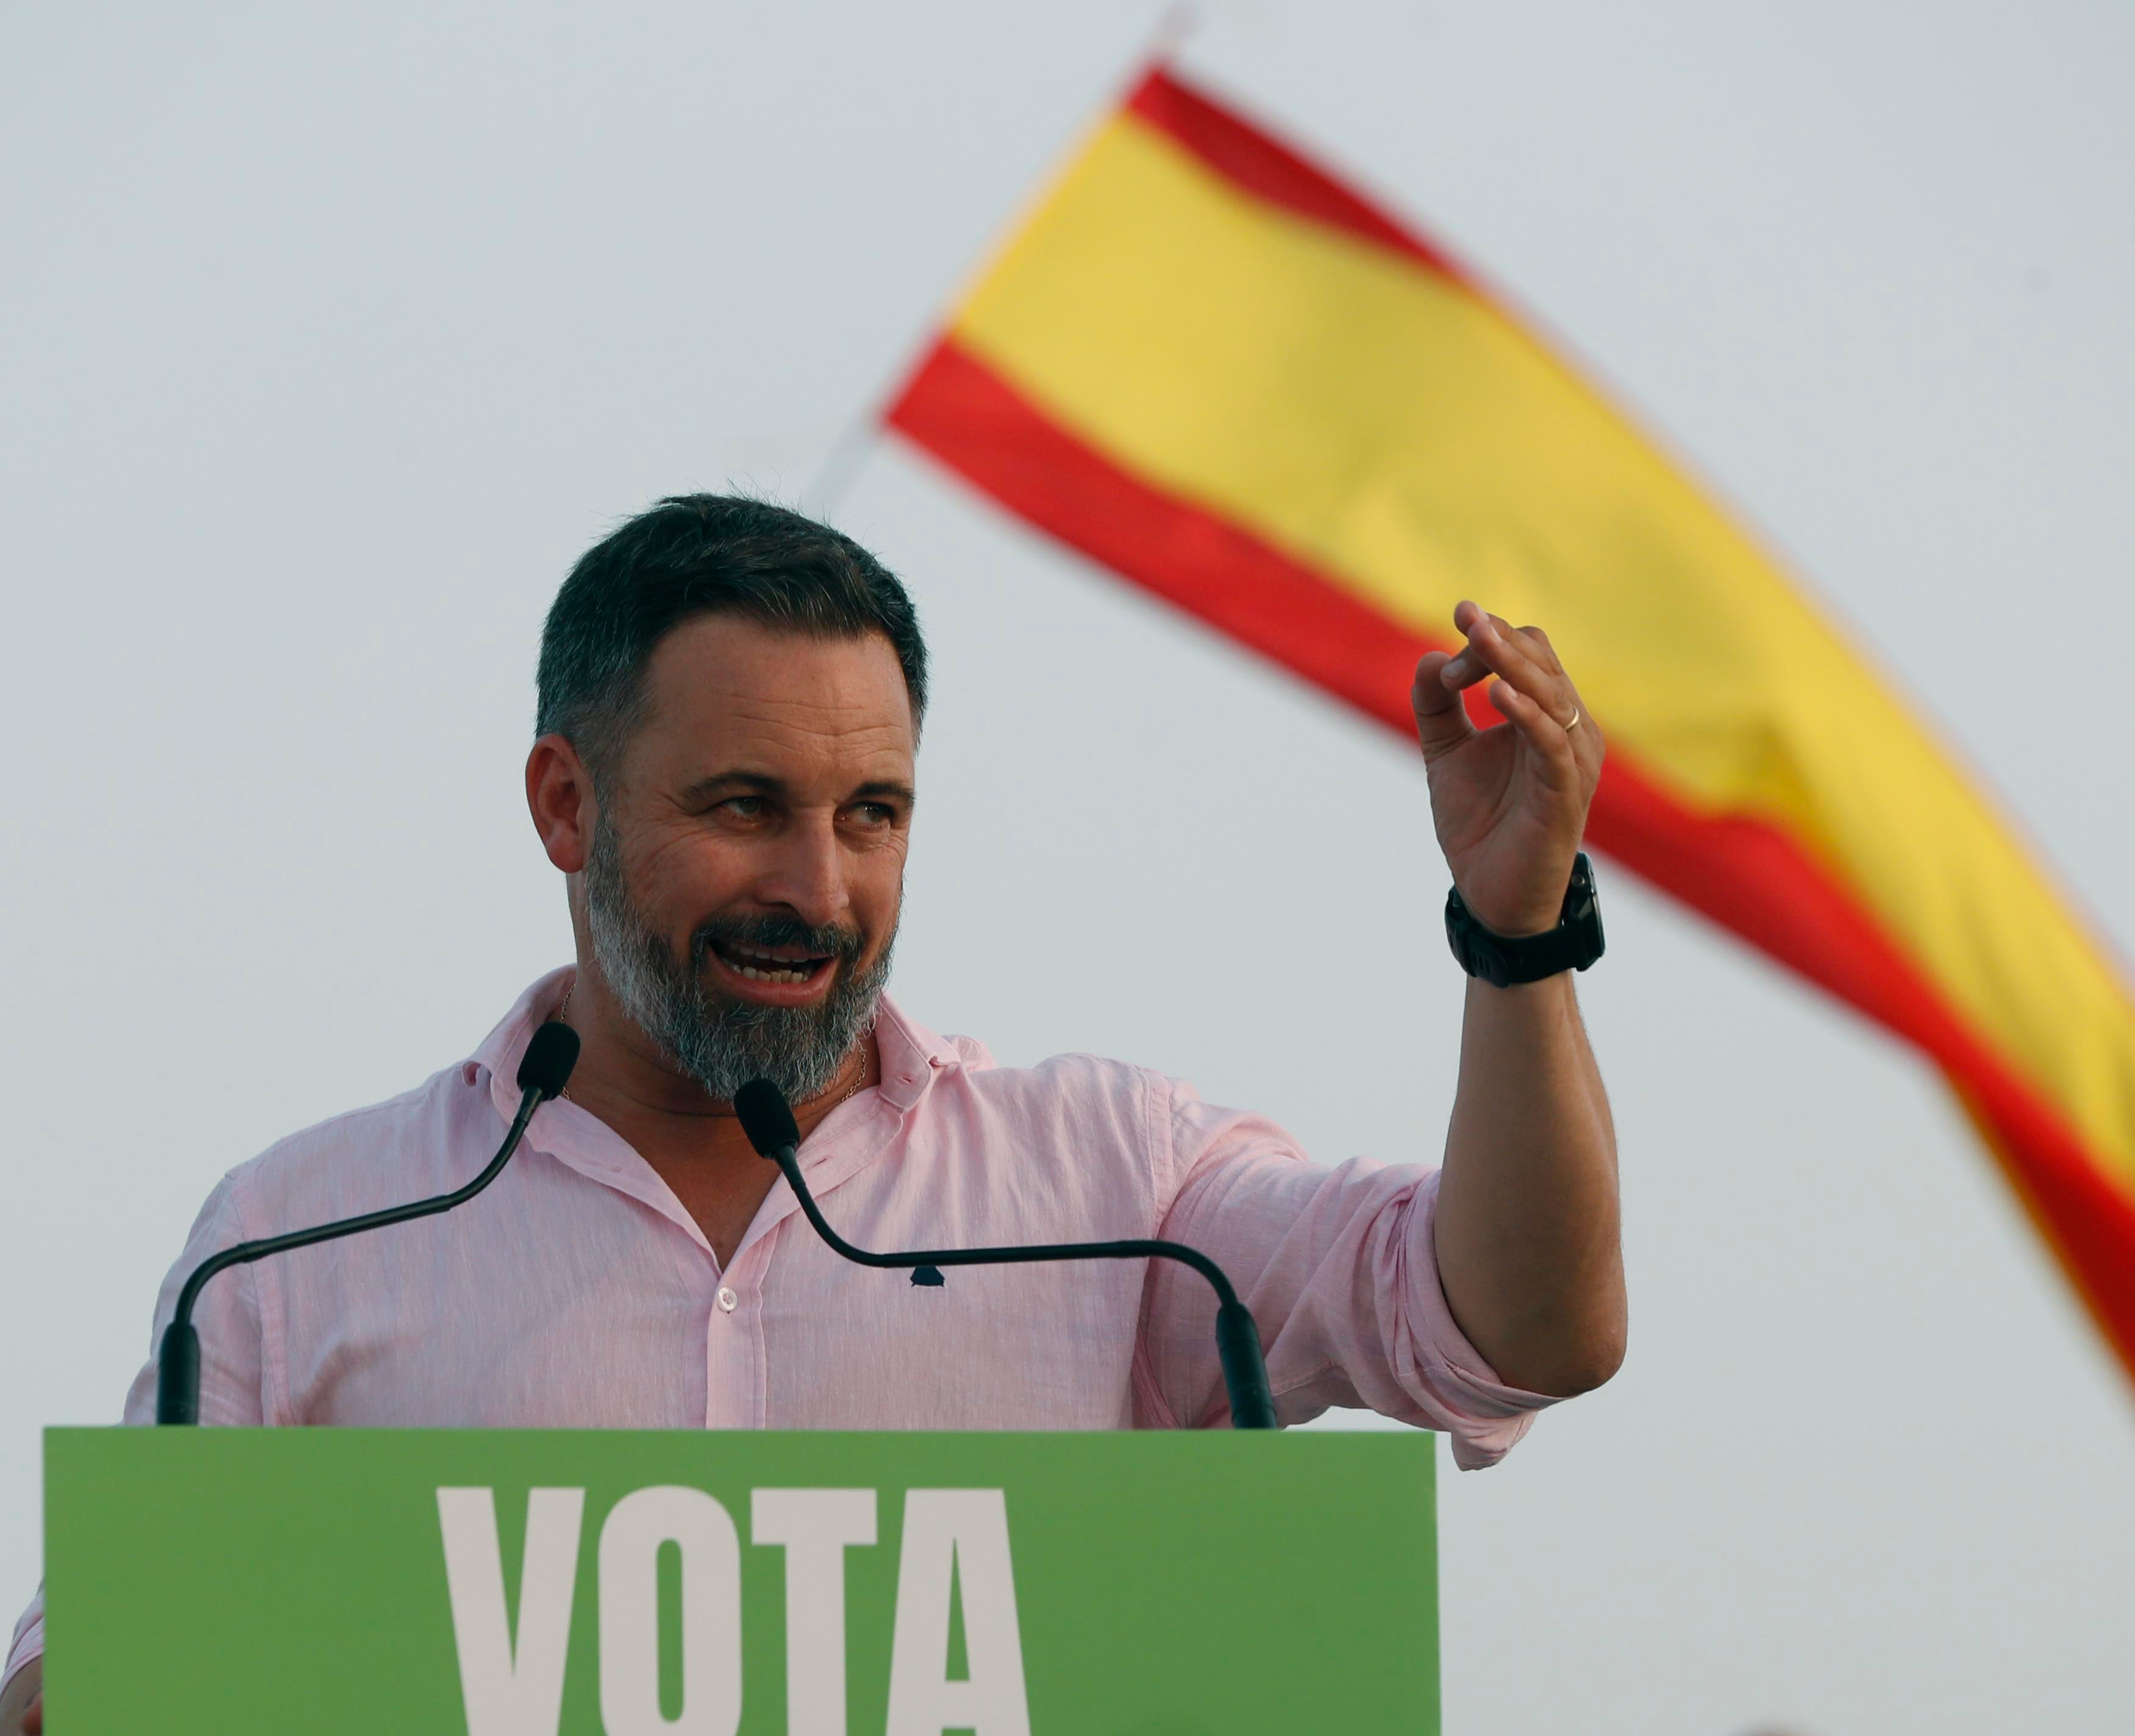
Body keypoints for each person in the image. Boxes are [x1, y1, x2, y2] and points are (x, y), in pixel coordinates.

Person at [0, 494, 1624, 1732]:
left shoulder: (1121, 1185)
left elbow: (1521, 1331)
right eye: (744, 808)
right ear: (568, 806)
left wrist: (1522, 936)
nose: (820, 889)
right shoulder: (300, 1243)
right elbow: (78, 1684)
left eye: (874, 814)